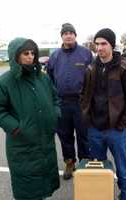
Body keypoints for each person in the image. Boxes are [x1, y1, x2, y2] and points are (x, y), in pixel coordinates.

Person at [0, 38, 60, 200]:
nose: (30, 56)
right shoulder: (5, 82)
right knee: (27, 189)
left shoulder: (43, 78)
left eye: (33, 53)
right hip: (22, 144)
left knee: (44, 185)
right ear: (15, 55)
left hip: (45, 141)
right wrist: (16, 127)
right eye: (25, 53)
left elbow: (55, 99)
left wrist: (55, 114)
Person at [81, 28, 126, 200]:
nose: (99, 48)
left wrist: (122, 123)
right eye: (97, 44)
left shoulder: (124, 69)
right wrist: (87, 116)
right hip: (95, 130)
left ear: (112, 45)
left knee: (122, 167)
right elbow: (83, 94)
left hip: (117, 130)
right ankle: (101, 195)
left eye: (103, 43)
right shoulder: (91, 68)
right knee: (98, 169)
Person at [47, 23, 92, 180]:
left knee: (83, 135)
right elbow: (49, 80)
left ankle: (84, 162)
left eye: (71, 33)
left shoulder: (86, 54)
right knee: (65, 135)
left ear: (75, 35)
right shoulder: (54, 56)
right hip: (62, 103)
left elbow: (92, 79)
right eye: (65, 33)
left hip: (81, 103)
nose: (68, 35)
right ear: (62, 36)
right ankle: (69, 162)